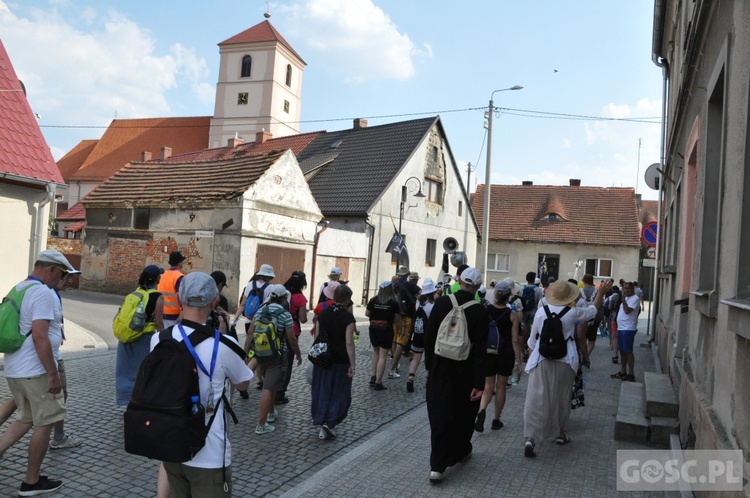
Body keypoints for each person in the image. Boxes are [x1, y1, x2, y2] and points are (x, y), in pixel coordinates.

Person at [155, 272, 253, 497]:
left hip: (173, 448)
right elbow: (244, 384)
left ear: (180, 300)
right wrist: (223, 335)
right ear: (214, 302)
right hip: (209, 455)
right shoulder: (223, 344)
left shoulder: (159, 340)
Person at [0, 250, 80, 496]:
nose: (64, 280)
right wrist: (52, 374)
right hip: (34, 370)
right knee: (44, 422)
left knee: (24, 419)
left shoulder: (20, 288)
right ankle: (31, 481)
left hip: (15, 368)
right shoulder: (43, 293)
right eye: (63, 273)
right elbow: (39, 335)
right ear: (52, 269)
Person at [523, 279, 611, 458]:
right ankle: (559, 433)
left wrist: (530, 362)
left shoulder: (541, 312)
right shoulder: (572, 312)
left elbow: (532, 342)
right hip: (566, 361)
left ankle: (531, 438)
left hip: (541, 360)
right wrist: (601, 293)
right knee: (561, 398)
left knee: (536, 397)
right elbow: (593, 310)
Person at [423, 267, 489, 484]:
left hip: (440, 369)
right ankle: (460, 450)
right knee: (463, 414)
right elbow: (480, 350)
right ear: (478, 286)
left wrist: (430, 366)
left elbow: (430, 336)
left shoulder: (442, 303)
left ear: (459, 280)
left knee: (439, 414)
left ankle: (437, 466)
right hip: (466, 372)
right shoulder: (480, 311)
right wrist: (479, 383)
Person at [245, 284, 301, 434]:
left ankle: (271, 413)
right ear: (284, 298)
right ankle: (261, 425)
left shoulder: (261, 311)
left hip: (261, 352)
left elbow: (250, 333)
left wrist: (246, 353)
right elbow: (292, 339)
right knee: (269, 388)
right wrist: (298, 354)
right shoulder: (285, 314)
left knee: (271, 382)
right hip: (277, 354)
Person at [474, 281, 523, 432]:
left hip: (488, 352)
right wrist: (519, 361)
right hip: (505, 353)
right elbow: (515, 340)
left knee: (488, 386)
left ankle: (482, 411)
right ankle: (496, 419)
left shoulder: (485, 310)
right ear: (509, 296)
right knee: (501, 386)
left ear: (495, 294)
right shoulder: (513, 315)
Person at [311, 284, 356, 440]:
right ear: (348, 299)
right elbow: (349, 343)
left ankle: (321, 420)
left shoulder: (323, 314)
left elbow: (317, 337)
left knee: (322, 390)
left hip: (323, 359)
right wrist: (353, 364)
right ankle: (330, 423)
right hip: (340, 360)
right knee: (339, 393)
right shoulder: (348, 318)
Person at [116, 265, 165, 406]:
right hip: (144, 340)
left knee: (126, 374)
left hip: (126, 339)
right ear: (157, 278)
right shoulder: (157, 297)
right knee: (144, 373)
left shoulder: (134, 294)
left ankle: (128, 402)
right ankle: (142, 403)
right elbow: (159, 323)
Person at [278, 270, 308, 405]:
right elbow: (303, 319)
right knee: (288, 362)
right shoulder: (300, 298)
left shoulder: (282, 293)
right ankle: (281, 393)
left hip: (277, 329)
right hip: (293, 330)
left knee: (276, 360)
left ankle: (271, 388)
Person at [365, 281, 401, 391]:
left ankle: (373, 376)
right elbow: (398, 319)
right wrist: (400, 330)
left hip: (374, 329)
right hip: (386, 330)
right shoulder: (393, 302)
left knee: (375, 352)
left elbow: (367, 313)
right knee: (383, 356)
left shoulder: (373, 299)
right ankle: (378, 382)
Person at [405, 278, 437, 392]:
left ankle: (410, 378)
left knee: (415, 358)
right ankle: (428, 380)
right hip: (428, 336)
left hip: (417, 333)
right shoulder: (433, 305)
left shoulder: (418, 303)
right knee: (430, 358)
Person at [389, 266, 420, 379]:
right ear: (407, 275)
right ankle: (392, 369)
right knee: (401, 343)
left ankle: (394, 362)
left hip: (394, 315)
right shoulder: (410, 285)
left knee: (394, 339)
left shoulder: (393, 285)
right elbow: (421, 294)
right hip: (406, 316)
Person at [233, 264, 275, 334]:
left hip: (248, 320)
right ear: (268, 276)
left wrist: (235, 319)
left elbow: (242, 304)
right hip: (262, 321)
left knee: (249, 341)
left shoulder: (250, 284)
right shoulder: (271, 287)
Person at [611, 282, 640, 382]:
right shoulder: (627, 298)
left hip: (628, 329)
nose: (626, 290)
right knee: (622, 351)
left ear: (633, 289)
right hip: (621, 328)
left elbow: (627, 310)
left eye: (628, 288)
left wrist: (623, 301)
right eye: (624, 288)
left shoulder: (635, 298)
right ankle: (623, 372)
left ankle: (631, 374)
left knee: (628, 351)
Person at [158, 251, 186, 327]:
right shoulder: (179, 277)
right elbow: (180, 297)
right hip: (174, 316)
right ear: (180, 263)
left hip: (160, 314)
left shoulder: (162, 275)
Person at [578, 274, 602, 358]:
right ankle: (586, 356)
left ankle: (582, 355)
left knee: (581, 338)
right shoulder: (598, 291)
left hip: (581, 318)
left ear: (584, 281)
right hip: (594, 318)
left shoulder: (579, 291)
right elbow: (601, 305)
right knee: (591, 339)